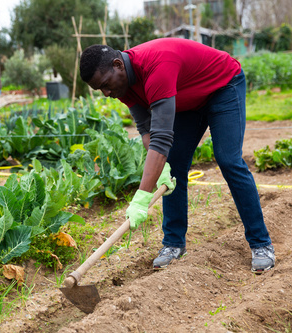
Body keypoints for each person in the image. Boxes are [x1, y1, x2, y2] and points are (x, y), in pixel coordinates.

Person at [79, 38, 275, 273]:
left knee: (228, 160)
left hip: (222, 85)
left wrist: (141, 197)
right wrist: (162, 170)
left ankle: (261, 243)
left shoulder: (156, 66)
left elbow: (162, 140)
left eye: (105, 84)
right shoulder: (121, 84)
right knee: (172, 166)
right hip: (187, 98)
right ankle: (173, 244)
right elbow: (147, 130)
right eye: (100, 89)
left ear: (118, 64)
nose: (106, 92)